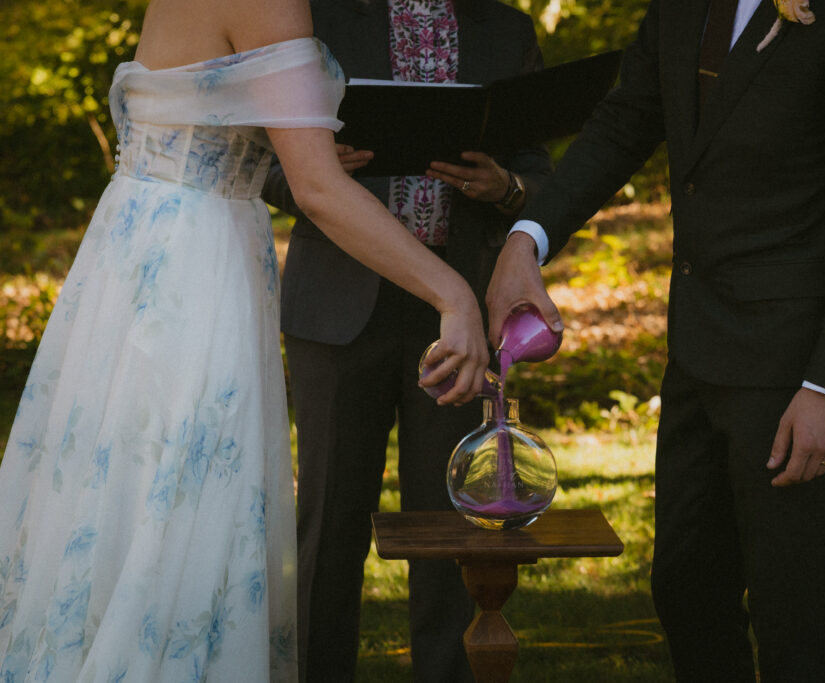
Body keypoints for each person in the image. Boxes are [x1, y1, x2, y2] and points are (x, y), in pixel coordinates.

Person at [0, 0, 490, 679]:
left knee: (133, 491)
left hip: (144, 242)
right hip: (195, 265)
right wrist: (452, 292)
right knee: (182, 493)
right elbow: (317, 188)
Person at [485, 0, 825, 680]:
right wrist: (527, 238)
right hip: (696, 345)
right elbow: (626, 119)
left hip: (796, 366)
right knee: (686, 587)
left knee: (792, 614)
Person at [260, 1, 550, 680]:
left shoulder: (505, 29)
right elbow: (260, 161)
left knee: (454, 526)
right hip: (337, 305)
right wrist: (315, 168)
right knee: (329, 523)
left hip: (459, 313)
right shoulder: (316, 17)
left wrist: (505, 187)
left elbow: (543, 172)